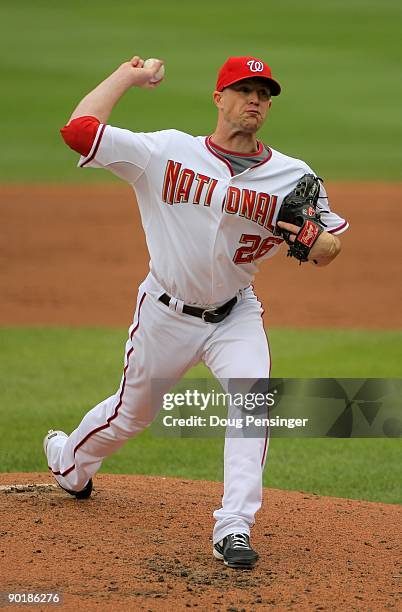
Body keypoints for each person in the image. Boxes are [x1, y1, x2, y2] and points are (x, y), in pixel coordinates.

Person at [43, 55, 348, 569]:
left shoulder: (294, 176)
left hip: (236, 315)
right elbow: (79, 131)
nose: (255, 100)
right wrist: (129, 75)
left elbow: (331, 244)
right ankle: (68, 462)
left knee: (252, 402)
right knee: (129, 416)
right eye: (245, 90)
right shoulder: (166, 152)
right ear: (218, 98)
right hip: (165, 314)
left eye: (264, 94)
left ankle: (234, 526)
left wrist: (314, 239)